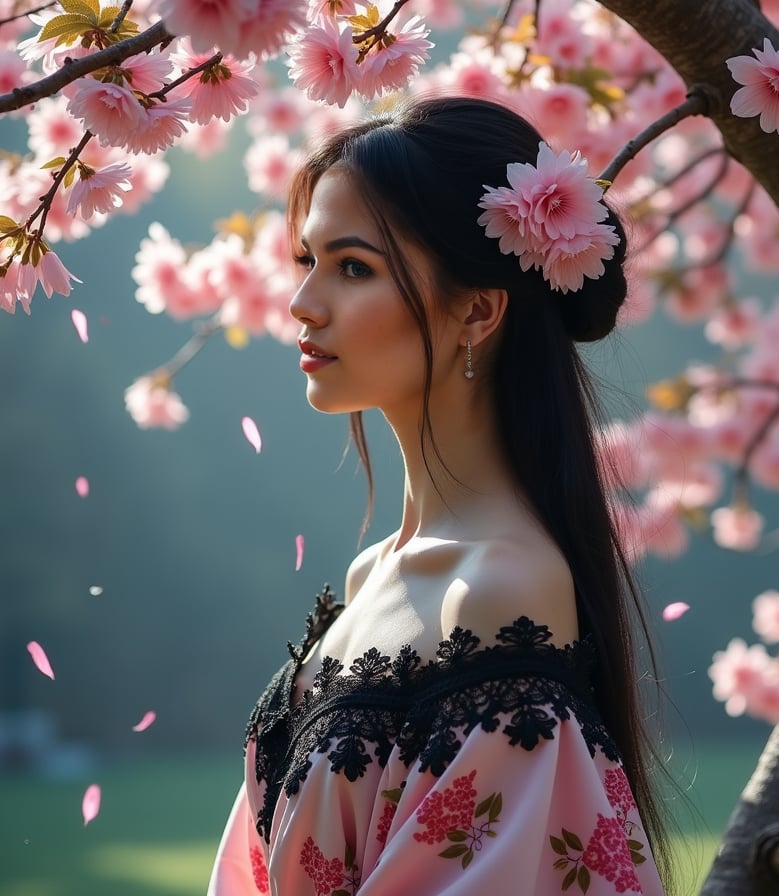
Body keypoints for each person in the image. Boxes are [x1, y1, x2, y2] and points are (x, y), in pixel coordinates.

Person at [208, 95, 671, 896]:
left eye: (353, 268)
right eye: (305, 260)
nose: (302, 303)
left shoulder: (502, 591)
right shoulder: (370, 579)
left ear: (479, 311)